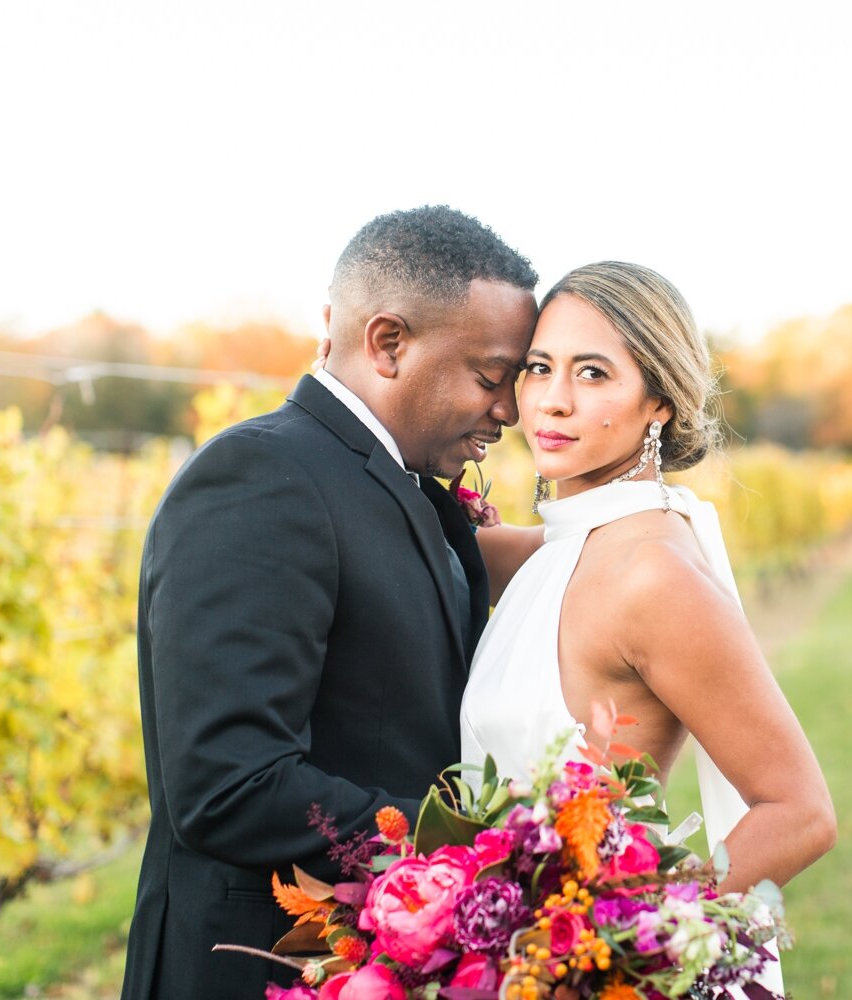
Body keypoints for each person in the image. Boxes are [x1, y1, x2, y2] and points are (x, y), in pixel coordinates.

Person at [120, 206, 539, 1000]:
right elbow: (228, 784)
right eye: (491, 376)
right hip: (257, 967)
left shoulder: (387, 482)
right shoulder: (260, 480)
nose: (510, 411)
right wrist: (476, 852)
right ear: (389, 343)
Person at [460, 261, 837, 994]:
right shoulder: (570, 544)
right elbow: (466, 552)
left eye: (594, 374)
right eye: (540, 367)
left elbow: (800, 813)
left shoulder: (652, 575)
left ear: (657, 402)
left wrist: (634, 941)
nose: (554, 401)